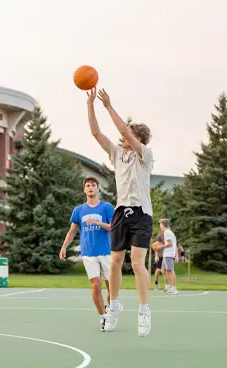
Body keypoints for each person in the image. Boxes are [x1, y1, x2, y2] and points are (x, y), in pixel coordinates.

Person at [87, 88, 154, 337]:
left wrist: (108, 106)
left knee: (136, 264)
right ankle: (113, 306)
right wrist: (91, 104)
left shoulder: (144, 155)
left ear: (139, 139)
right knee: (114, 263)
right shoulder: (117, 154)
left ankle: (144, 311)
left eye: (129, 134)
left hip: (141, 214)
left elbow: (124, 130)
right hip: (120, 212)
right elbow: (96, 132)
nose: (122, 135)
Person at [60, 176, 116, 331]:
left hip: (105, 252)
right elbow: (72, 232)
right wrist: (64, 247)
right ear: (84, 189)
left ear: (97, 189)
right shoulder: (79, 210)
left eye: (93, 185)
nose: (91, 188)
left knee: (112, 287)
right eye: (88, 186)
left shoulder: (106, 207)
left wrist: (98, 222)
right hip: (88, 253)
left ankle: (110, 307)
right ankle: (103, 316)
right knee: (95, 284)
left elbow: (113, 227)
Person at [157, 219, 178, 295]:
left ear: (163, 224)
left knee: (170, 270)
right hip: (166, 254)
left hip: (169, 254)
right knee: (163, 270)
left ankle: (174, 289)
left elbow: (170, 244)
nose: (160, 226)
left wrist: (160, 247)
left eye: (160, 224)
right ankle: (168, 286)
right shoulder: (168, 232)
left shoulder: (167, 232)